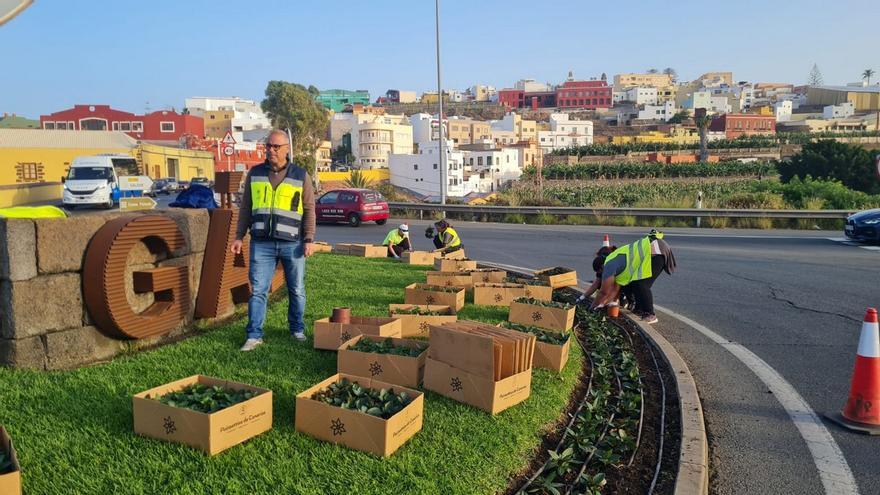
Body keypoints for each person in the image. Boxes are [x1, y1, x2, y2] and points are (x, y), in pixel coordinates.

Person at [231, 130, 317, 351]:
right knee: (258, 290)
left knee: (296, 289)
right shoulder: (255, 173)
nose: (271, 150)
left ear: (287, 149)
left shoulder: (300, 175)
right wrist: (239, 236)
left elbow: (309, 209)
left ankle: (297, 329)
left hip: (293, 242)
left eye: (276, 147)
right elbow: (246, 208)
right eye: (268, 146)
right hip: (261, 242)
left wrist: (309, 239)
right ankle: (254, 335)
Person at [591, 229, 676, 324]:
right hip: (651, 251)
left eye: (600, 272)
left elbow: (604, 292)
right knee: (633, 283)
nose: (602, 275)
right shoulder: (613, 260)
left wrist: (593, 307)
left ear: (602, 266)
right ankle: (639, 309)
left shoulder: (610, 265)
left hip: (657, 251)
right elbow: (615, 289)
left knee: (642, 284)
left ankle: (650, 314)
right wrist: (603, 304)